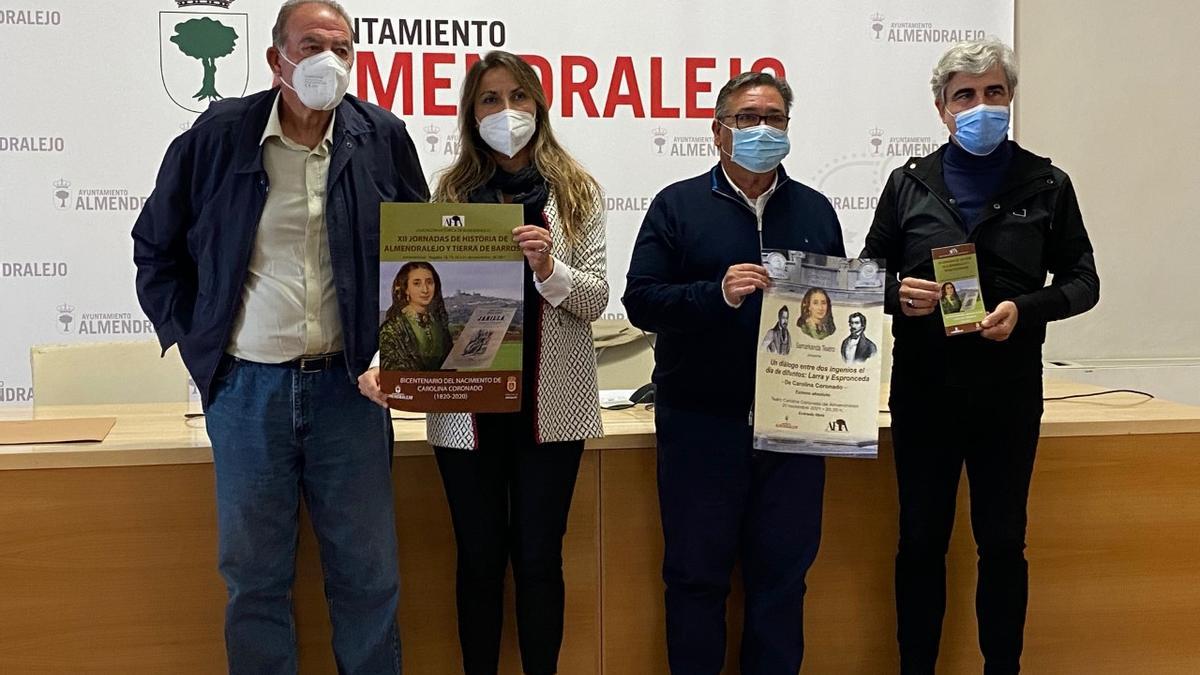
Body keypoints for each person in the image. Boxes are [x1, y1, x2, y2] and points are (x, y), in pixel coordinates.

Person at [131, 1, 428, 672]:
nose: (330, 60)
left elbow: (419, 256)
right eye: (312, 45)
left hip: (347, 391)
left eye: (343, 48)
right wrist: (199, 342)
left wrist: (401, 355)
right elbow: (155, 248)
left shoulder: (380, 136)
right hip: (247, 392)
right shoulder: (217, 137)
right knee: (255, 579)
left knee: (368, 576)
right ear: (276, 60)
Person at [360, 50, 608, 675]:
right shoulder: (448, 193)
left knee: (538, 558)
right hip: (465, 406)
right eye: (490, 100)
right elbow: (418, 290)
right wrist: (386, 361)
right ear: (472, 114)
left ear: (539, 106)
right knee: (477, 557)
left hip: (550, 407)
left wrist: (551, 270)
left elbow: (597, 299)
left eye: (518, 97)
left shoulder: (577, 192)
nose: (506, 111)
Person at [860, 38, 1099, 675]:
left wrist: (1027, 310)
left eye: (994, 92)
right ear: (942, 108)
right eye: (965, 95)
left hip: (1007, 393)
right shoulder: (908, 184)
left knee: (1001, 544)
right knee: (920, 543)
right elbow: (864, 275)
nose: (981, 105)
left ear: (1010, 98)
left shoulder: (1048, 182)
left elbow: (1083, 281)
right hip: (924, 392)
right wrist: (896, 296)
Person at [624, 71, 845, 674]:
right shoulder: (678, 205)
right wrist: (713, 295)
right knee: (696, 582)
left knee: (782, 584)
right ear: (719, 132)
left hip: (795, 427)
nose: (762, 130)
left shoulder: (817, 211)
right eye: (748, 118)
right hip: (701, 423)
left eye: (775, 118)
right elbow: (640, 300)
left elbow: (839, 313)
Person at [379, 261, 452, 371]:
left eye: (429, 282)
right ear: (406, 289)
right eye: (417, 283)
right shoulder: (392, 328)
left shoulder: (439, 324)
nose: (425, 290)